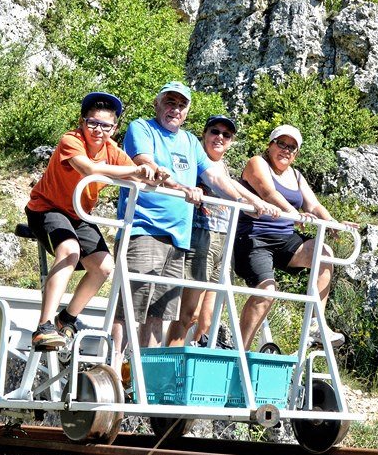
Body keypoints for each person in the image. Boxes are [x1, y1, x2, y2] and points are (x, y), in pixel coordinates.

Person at [24, 91, 165, 352]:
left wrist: (155, 175)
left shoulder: (112, 151)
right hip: (47, 208)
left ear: (114, 128)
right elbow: (88, 168)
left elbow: (139, 177)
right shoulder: (71, 140)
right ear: (82, 122)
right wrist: (136, 170)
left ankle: (67, 319)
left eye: (106, 126)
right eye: (93, 123)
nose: (98, 130)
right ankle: (44, 327)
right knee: (69, 250)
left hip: (78, 214)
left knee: (104, 266)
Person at [119, 82, 249, 348]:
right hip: (145, 228)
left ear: (187, 111)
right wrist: (179, 187)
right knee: (129, 309)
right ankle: (113, 367)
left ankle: (145, 376)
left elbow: (214, 175)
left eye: (181, 105)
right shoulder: (142, 128)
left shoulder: (189, 141)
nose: (174, 109)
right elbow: (145, 162)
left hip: (178, 237)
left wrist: (246, 201)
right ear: (157, 104)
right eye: (169, 102)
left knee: (158, 314)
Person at [234, 124, 341, 350]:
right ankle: (240, 350)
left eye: (292, 148)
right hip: (255, 237)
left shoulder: (296, 175)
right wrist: (293, 214)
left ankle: (315, 322)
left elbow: (313, 204)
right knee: (267, 292)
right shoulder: (257, 163)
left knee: (324, 253)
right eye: (281, 144)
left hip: (284, 239)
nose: (286, 150)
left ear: (296, 154)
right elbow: (267, 193)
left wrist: (332, 223)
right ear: (270, 145)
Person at [176, 114, 276, 347]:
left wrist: (261, 204)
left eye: (226, 134)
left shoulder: (223, 167)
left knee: (209, 318)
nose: (219, 137)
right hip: (199, 235)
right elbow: (222, 184)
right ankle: (169, 369)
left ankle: (196, 365)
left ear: (231, 141)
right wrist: (249, 201)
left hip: (223, 240)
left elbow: (231, 184)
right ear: (204, 134)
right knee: (189, 313)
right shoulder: (197, 160)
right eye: (214, 131)